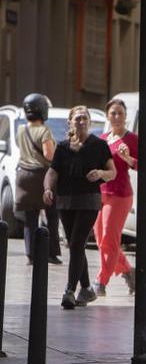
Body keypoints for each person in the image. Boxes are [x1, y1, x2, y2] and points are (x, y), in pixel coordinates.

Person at [44, 106, 116, 310]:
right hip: (66, 200)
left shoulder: (99, 145)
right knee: (75, 244)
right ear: (70, 122)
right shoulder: (63, 147)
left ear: (90, 122)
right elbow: (52, 172)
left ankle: (69, 290)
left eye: (84, 118)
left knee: (76, 243)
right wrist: (48, 189)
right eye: (77, 119)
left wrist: (101, 173)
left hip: (89, 200)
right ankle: (86, 288)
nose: (81, 122)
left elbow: (113, 172)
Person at [93, 99, 137, 296]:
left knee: (109, 240)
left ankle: (100, 282)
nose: (117, 117)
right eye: (113, 113)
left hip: (120, 195)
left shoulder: (132, 140)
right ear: (107, 116)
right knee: (102, 241)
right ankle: (128, 270)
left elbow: (142, 165)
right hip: (100, 193)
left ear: (126, 116)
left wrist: (127, 158)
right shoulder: (102, 139)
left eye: (120, 113)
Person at [15, 93, 62, 266]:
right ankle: (51, 253)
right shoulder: (44, 131)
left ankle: (31, 255)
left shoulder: (21, 129)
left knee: (30, 218)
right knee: (52, 215)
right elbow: (49, 155)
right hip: (41, 177)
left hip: (23, 177)